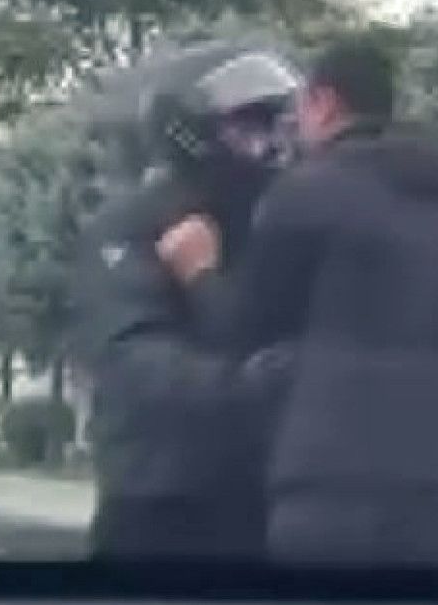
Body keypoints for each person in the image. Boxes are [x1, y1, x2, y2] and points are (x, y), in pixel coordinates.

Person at [161, 36, 438, 569]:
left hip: (338, 492)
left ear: (323, 102)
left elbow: (242, 332)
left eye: (298, 109)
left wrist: (198, 271)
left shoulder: (308, 192)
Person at [73, 41, 300, 559]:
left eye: (277, 126)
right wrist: (260, 383)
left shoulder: (273, 227)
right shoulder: (133, 226)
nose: (271, 146)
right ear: (190, 132)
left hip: (261, 501)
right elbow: (135, 363)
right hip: (159, 498)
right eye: (249, 127)